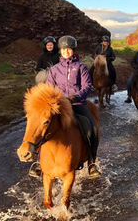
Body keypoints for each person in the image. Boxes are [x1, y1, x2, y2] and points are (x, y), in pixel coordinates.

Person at [46, 35, 101, 177]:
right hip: (60, 106)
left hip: (77, 104)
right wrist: (56, 100)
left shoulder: (81, 67)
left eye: (69, 49)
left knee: (93, 129)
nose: (66, 52)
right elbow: (49, 88)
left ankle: (92, 163)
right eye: (64, 50)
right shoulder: (55, 69)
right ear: (60, 51)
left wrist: (76, 97)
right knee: (43, 126)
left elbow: (87, 86)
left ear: (73, 50)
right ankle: (39, 163)